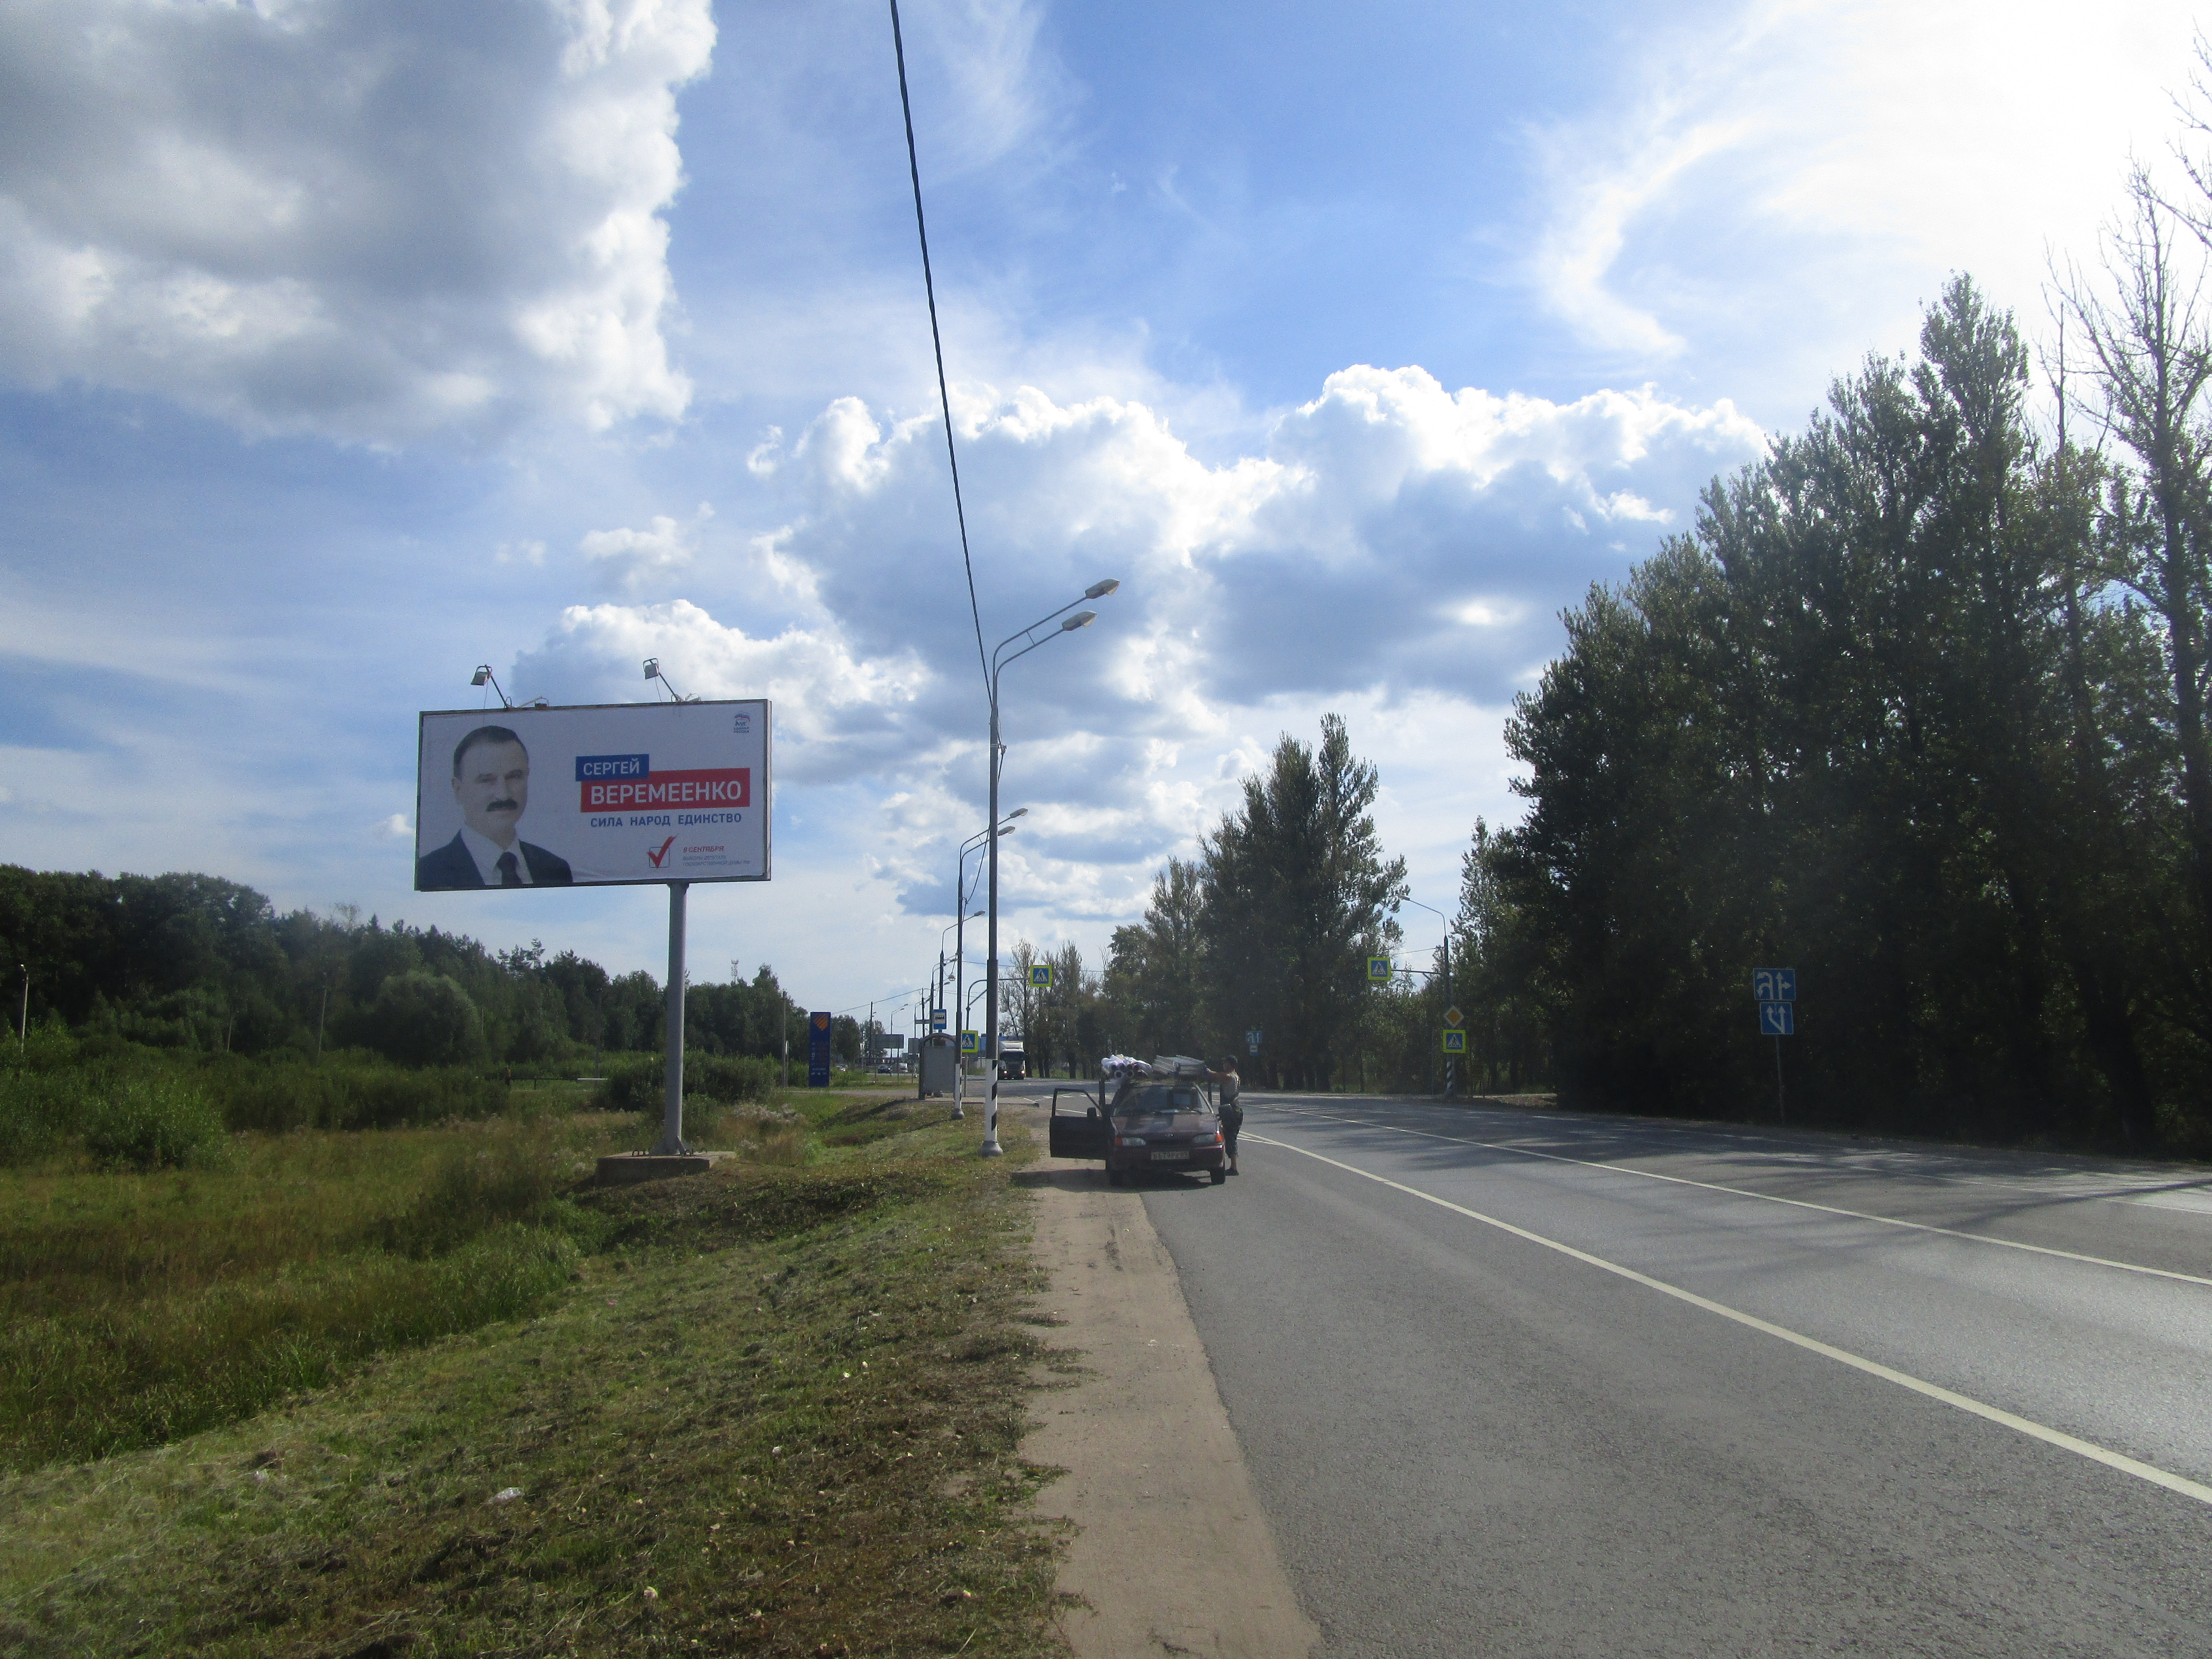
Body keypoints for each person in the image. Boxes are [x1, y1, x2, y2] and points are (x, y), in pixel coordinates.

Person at [416, 725, 575, 890]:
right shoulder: (428, 872)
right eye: (486, 780)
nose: (503, 795)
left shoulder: (555, 869)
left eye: (514, 777)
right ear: (458, 790)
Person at [1210, 1055, 1243, 1175]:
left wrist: (1205, 1071)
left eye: (1226, 1063)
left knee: (1230, 1138)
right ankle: (1225, 1164)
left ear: (1231, 1065)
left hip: (1231, 1113)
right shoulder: (1236, 1076)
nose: (1224, 1065)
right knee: (1227, 1137)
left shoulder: (1229, 1077)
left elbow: (1215, 1076)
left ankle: (1234, 1168)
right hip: (1234, 1111)